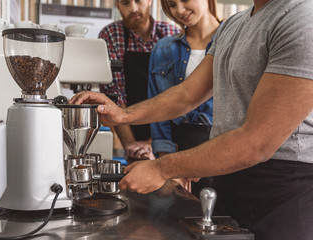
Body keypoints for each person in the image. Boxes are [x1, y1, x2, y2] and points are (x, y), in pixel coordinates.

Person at [72, 0, 313, 239]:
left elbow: (256, 143)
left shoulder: (302, 18)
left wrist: (161, 168)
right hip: (227, 178)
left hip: (284, 190)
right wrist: (124, 115)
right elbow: (187, 95)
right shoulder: (234, 24)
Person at [148, 0, 220, 196]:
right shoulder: (163, 49)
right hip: (178, 149)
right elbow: (159, 110)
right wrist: (169, 166)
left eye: (185, 0)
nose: (179, 10)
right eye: (171, 5)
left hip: (223, 147)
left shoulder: (235, 42)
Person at [98, 0, 180, 160]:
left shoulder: (171, 33)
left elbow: (177, 95)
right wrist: (132, 147)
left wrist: (154, 143)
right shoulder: (111, 34)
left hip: (169, 133)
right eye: (126, 3)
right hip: (129, 129)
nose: (133, 8)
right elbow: (114, 96)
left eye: (138, 1)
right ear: (117, 5)